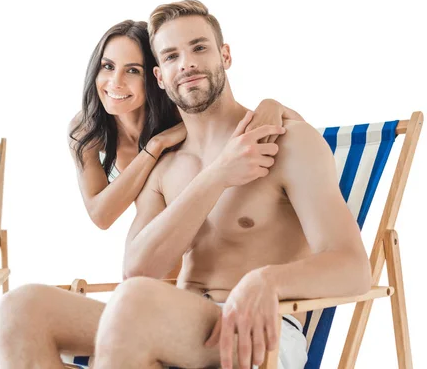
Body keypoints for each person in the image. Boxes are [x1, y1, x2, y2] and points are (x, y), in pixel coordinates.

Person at [0, 1, 369, 369]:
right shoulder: (164, 164)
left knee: (134, 304)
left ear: (225, 55)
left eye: (199, 48)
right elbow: (137, 271)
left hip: (255, 334)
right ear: (160, 76)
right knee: (21, 310)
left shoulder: (285, 142)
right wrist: (217, 174)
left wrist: (265, 281)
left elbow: (354, 269)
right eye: (171, 56)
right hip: (166, 323)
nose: (187, 63)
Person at [68, 20, 304, 236]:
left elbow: (254, 124)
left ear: (155, 77)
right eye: (107, 66)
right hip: (159, 252)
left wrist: (273, 105)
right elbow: (101, 216)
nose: (115, 82)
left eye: (133, 71)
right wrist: (154, 147)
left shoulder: (181, 114)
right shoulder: (87, 128)